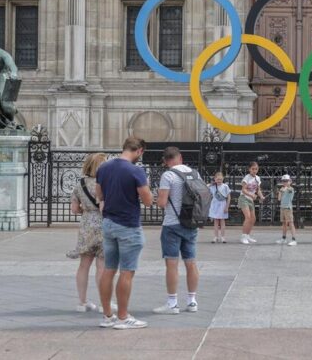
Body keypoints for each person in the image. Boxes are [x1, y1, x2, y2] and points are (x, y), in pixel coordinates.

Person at [95, 137, 153, 330]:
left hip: (108, 223)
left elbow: (99, 195)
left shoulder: (104, 168)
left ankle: (107, 315)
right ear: (139, 151)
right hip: (128, 225)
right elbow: (148, 201)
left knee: (108, 269)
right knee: (127, 272)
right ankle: (122, 317)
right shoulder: (136, 170)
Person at [153, 147, 201, 315]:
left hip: (172, 224)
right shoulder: (195, 173)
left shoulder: (168, 175)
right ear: (180, 157)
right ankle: (192, 301)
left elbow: (162, 202)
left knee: (172, 264)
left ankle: (173, 303)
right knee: (191, 262)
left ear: (166, 161)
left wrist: (156, 197)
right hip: (191, 223)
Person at [67, 152, 114, 312]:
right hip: (103, 225)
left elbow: (74, 209)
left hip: (86, 226)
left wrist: (86, 210)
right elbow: (105, 207)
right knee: (102, 266)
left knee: (83, 265)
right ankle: (104, 303)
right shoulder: (105, 184)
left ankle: (82, 302)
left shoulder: (79, 184)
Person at [239, 161, 265, 244]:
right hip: (244, 198)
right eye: (253, 169)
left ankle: (247, 235)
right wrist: (251, 195)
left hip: (250, 200)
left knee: (253, 219)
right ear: (249, 169)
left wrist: (261, 196)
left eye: (256, 169)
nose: (254, 170)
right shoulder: (246, 178)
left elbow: (258, 190)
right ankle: (243, 237)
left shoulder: (257, 178)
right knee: (248, 217)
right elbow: (243, 190)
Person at [208, 171, 231, 244]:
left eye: (220, 179)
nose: (219, 181)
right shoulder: (213, 186)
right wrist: (211, 183)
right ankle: (215, 236)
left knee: (222, 222)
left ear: (223, 179)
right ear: (215, 179)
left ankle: (223, 237)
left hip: (222, 205)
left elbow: (229, 197)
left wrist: (227, 207)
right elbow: (205, 186)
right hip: (215, 205)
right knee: (216, 222)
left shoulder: (225, 186)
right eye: (217, 179)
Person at [276, 175, 297, 246]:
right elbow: (279, 199)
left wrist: (286, 187)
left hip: (288, 208)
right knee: (284, 223)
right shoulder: (282, 189)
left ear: (290, 181)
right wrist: (280, 192)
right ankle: (284, 238)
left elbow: (290, 190)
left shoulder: (291, 189)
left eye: (286, 181)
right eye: (283, 181)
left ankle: (294, 239)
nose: (284, 182)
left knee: (291, 223)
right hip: (282, 207)